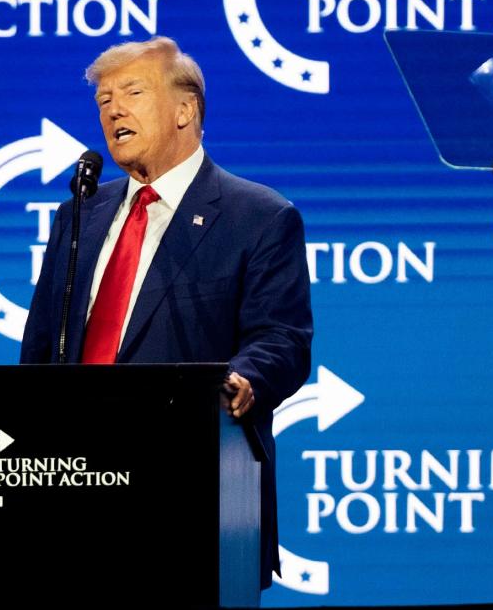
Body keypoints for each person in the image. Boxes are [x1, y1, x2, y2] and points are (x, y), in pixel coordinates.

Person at [20, 36, 313, 592]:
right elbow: (39, 349)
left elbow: (282, 338)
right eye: (104, 100)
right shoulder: (79, 214)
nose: (114, 110)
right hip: (68, 489)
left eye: (133, 92)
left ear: (186, 110)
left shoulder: (259, 216)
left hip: (193, 496)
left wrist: (245, 378)